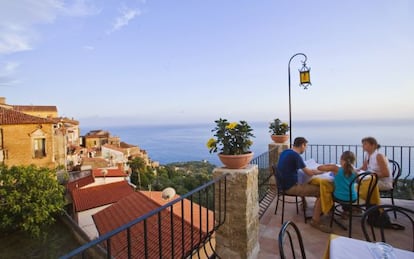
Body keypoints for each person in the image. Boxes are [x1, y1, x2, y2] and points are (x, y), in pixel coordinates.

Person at [276, 137, 331, 233]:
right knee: (322, 191)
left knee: (303, 179)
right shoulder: (296, 156)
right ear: (302, 145)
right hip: (290, 187)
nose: (305, 149)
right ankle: (315, 221)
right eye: (306, 147)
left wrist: (313, 171)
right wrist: (322, 172)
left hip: (283, 184)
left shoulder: (286, 152)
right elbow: (309, 173)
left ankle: (304, 204)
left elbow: (303, 170)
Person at [317, 151, 358, 217]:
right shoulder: (355, 171)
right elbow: (357, 181)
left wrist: (329, 165)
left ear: (342, 159)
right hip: (353, 198)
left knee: (329, 192)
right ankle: (346, 211)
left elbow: (319, 168)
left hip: (340, 197)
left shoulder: (335, 168)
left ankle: (330, 210)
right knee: (347, 190)